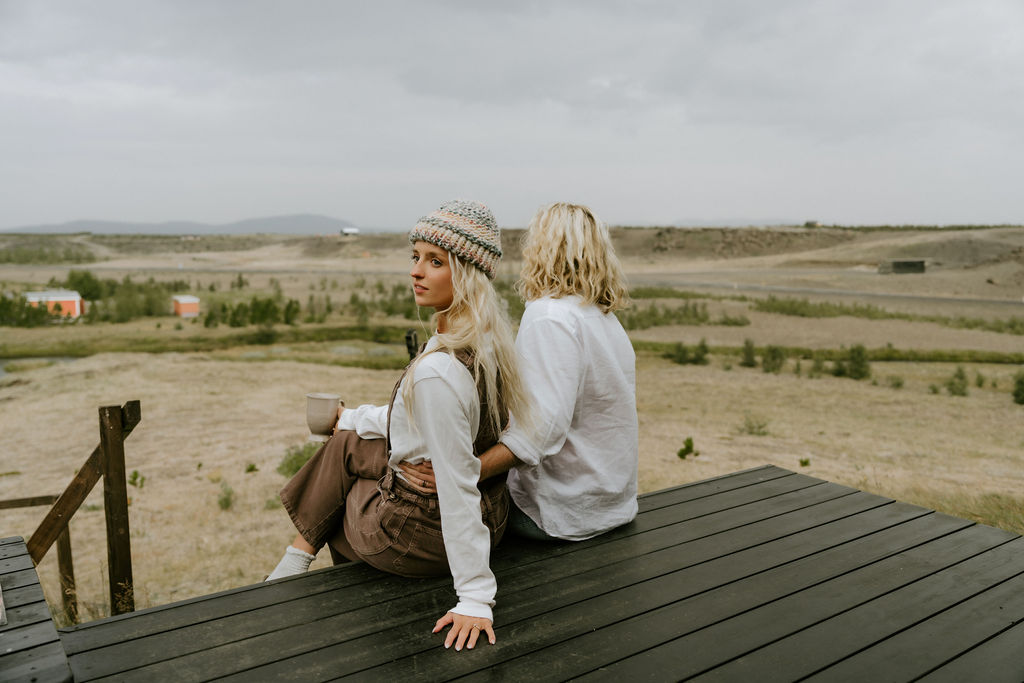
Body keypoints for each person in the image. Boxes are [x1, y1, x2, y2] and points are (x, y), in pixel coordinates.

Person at [266, 199, 529, 652]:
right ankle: (296, 557)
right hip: (497, 513)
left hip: (418, 537)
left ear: (467, 272)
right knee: (348, 442)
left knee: (343, 493)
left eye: (435, 261)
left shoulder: (438, 371)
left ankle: (298, 564)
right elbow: (415, 422)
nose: (416, 272)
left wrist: (475, 597)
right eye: (415, 258)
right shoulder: (487, 342)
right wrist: (348, 418)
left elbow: (457, 485)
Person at [401, 202, 639, 542]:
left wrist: (463, 472)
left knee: (394, 490)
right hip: (611, 504)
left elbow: (541, 431)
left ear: (541, 248)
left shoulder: (550, 316)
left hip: (558, 513)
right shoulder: (603, 319)